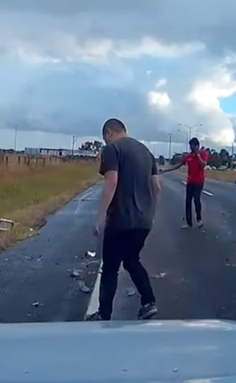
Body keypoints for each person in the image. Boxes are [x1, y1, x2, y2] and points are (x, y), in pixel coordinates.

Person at [86, 118, 160, 321]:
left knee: (110, 267)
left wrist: (101, 216)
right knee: (131, 260)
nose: (105, 142)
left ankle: (104, 316)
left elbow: (111, 183)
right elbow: (157, 188)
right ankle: (149, 301)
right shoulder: (146, 152)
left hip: (120, 219)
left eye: (105, 138)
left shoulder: (112, 150)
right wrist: (151, 213)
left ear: (109, 132)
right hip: (143, 222)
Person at [172, 137, 209, 229]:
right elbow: (179, 164)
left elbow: (203, 165)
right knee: (188, 201)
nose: (191, 148)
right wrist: (166, 170)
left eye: (192, 146)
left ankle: (199, 219)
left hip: (199, 181)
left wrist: (198, 155)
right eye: (190, 146)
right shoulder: (189, 156)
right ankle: (189, 223)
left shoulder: (203, 154)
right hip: (190, 182)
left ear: (197, 146)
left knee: (196, 199)